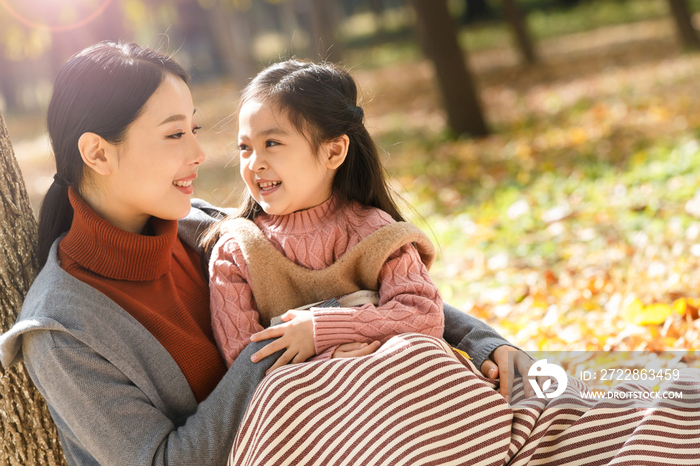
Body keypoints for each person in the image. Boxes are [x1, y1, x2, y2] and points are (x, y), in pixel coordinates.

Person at [0, 42, 535, 465]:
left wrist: (482, 341)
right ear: (97, 152)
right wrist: (312, 330)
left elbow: (375, 281)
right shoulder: (63, 331)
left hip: (363, 430)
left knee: (591, 398)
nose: (198, 153)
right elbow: (163, 461)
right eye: (173, 135)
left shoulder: (201, 227)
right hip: (330, 442)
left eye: (194, 128)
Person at [206, 59, 444, 374]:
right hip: (308, 412)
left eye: (272, 143)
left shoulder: (373, 232)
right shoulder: (237, 252)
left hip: (393, 392)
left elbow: (423, 316)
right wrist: (327, 362)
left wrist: (320, 330)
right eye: (245, 148)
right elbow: (243, 362)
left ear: (333, 152)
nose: (254, 163)